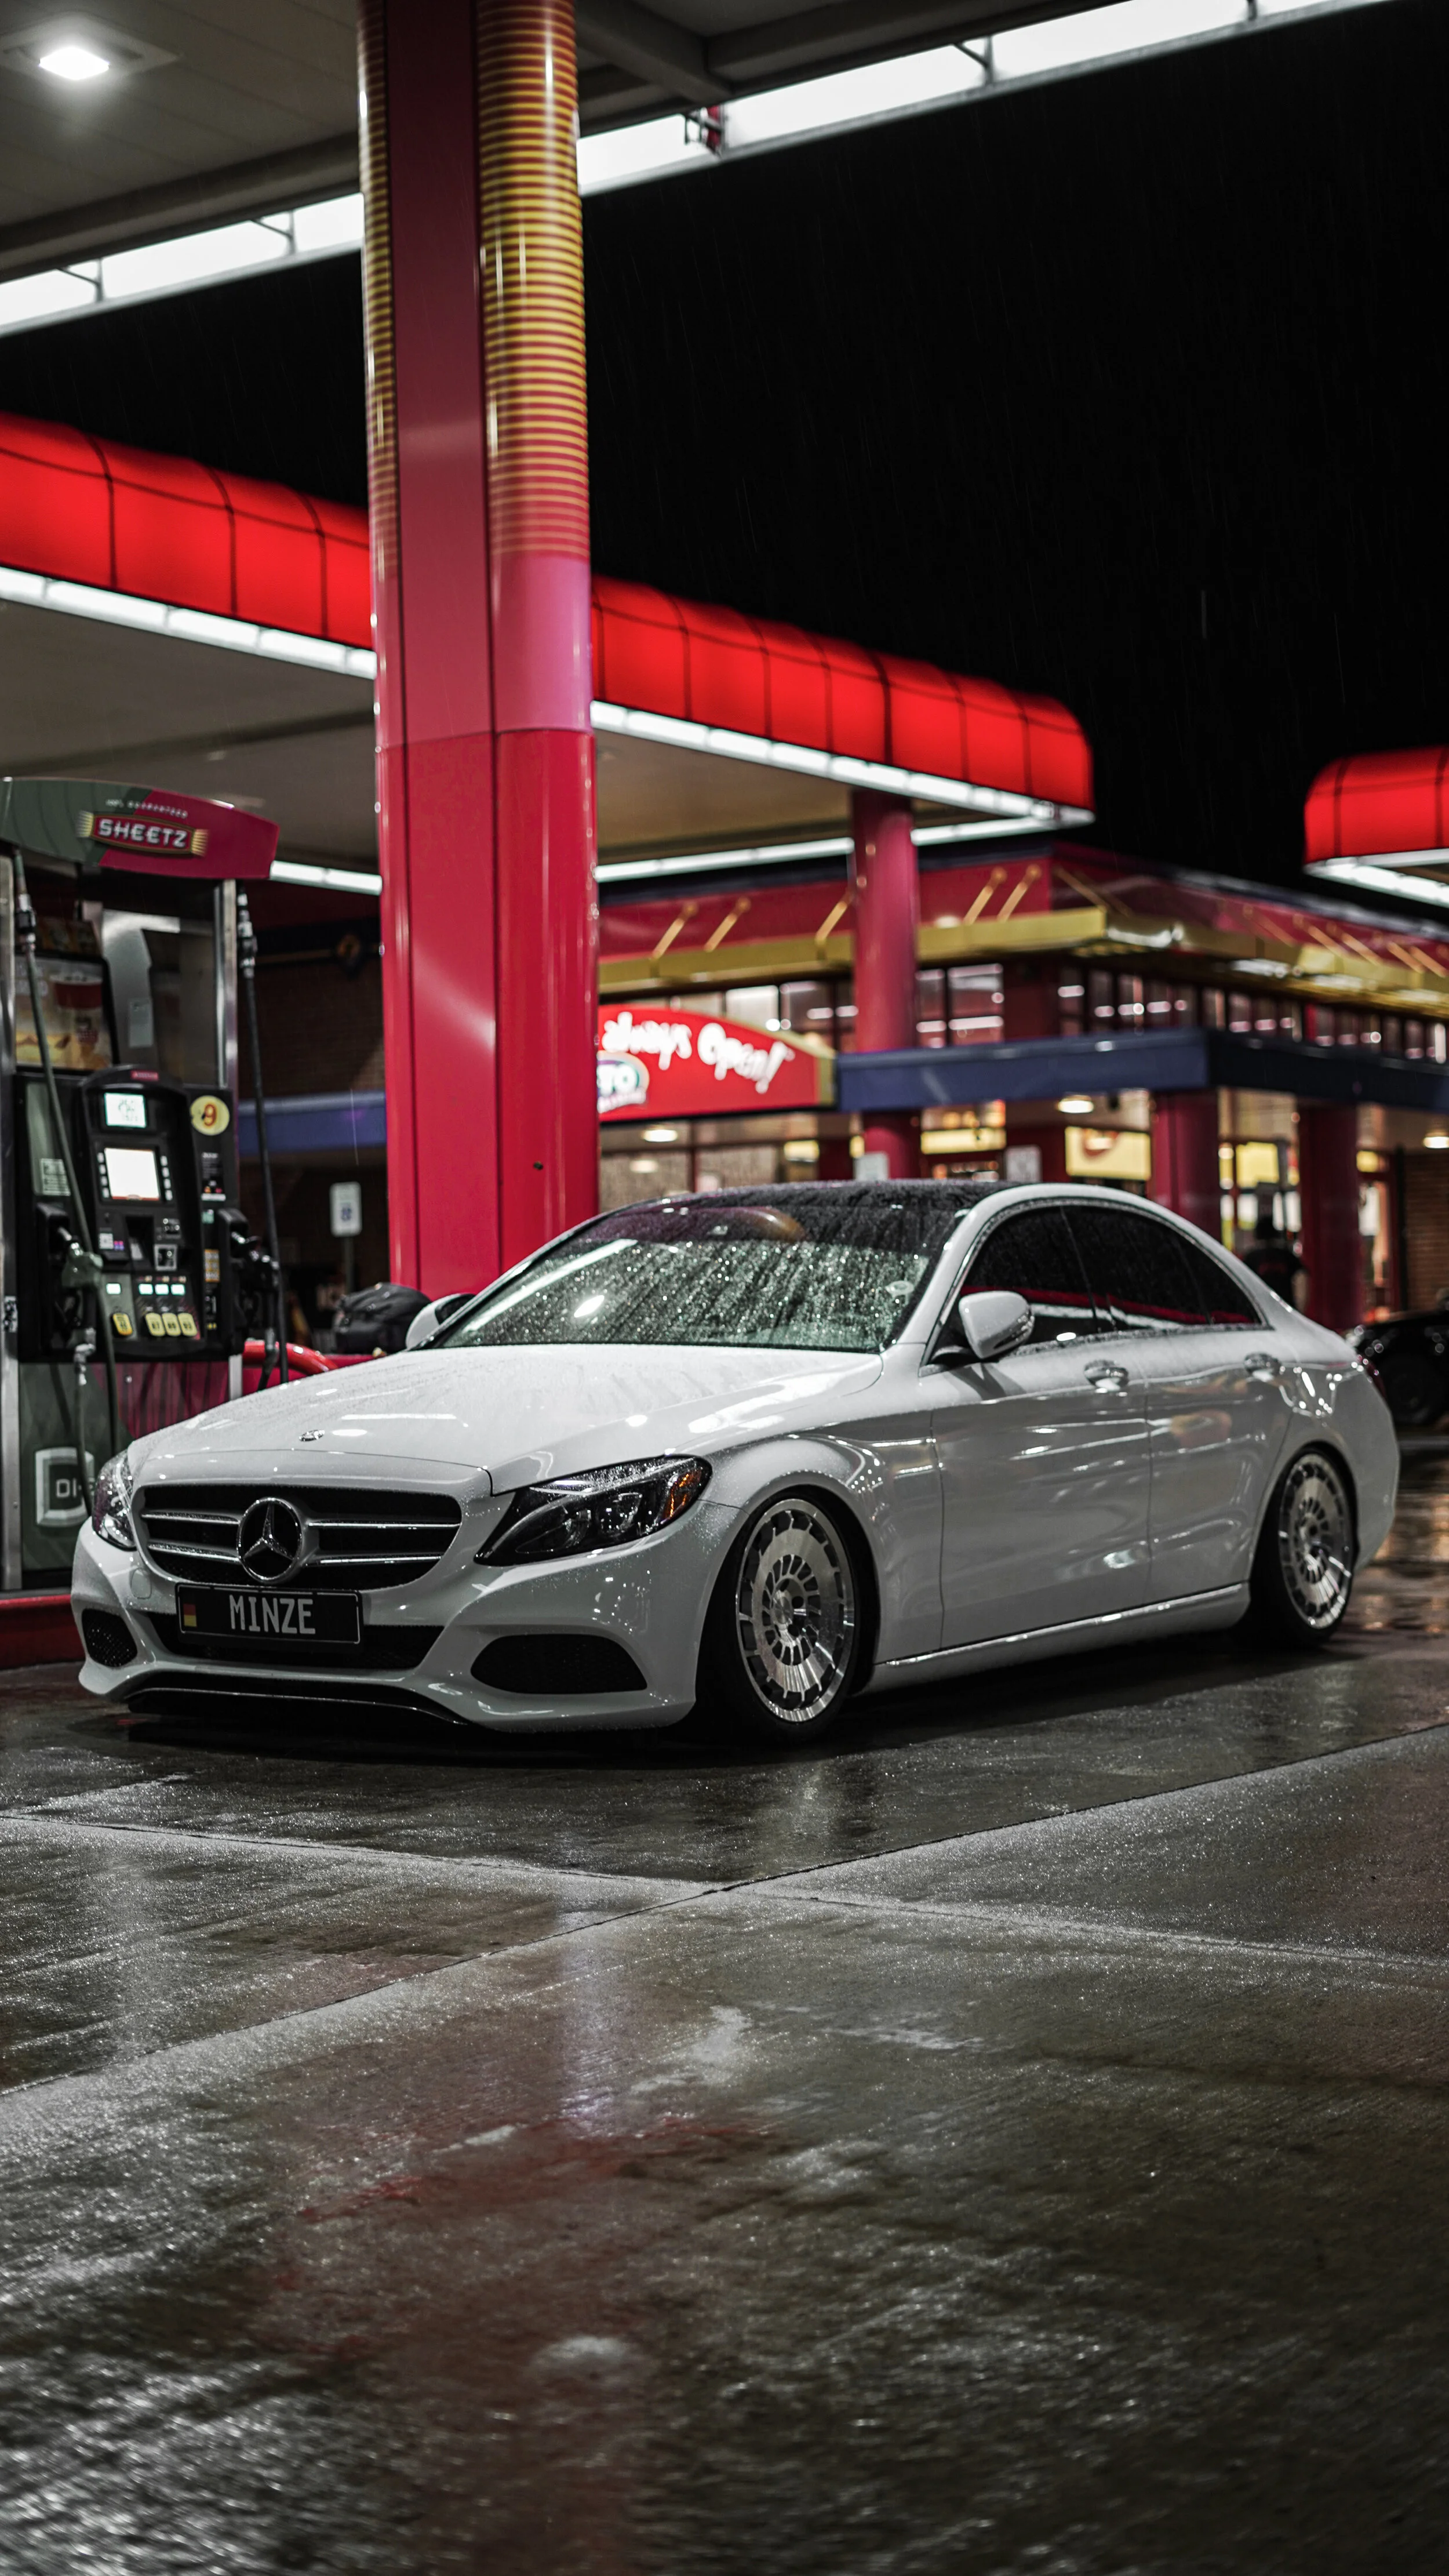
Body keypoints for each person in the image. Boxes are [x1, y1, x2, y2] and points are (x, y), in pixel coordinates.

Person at [1241, 1204, 1305, 1306]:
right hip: (1286, 1307)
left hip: (1262, 1307)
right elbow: (1302, 1277)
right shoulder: (1287, 1255)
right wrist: (1300, 1308)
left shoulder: (1251, 1257)